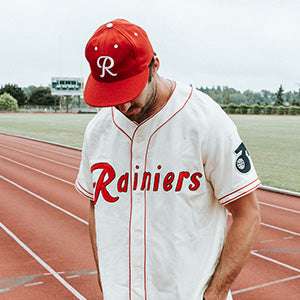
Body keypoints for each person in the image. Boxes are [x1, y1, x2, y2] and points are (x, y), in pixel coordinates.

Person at [75, 19, 261, 300]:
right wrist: (106, 279)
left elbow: (248, 214)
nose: (123, 106)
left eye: (129, 90)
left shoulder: (205, 120)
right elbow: (95, 206)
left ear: (154, 66)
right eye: (113, 95)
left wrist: (216, 293)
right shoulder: (98, 130)